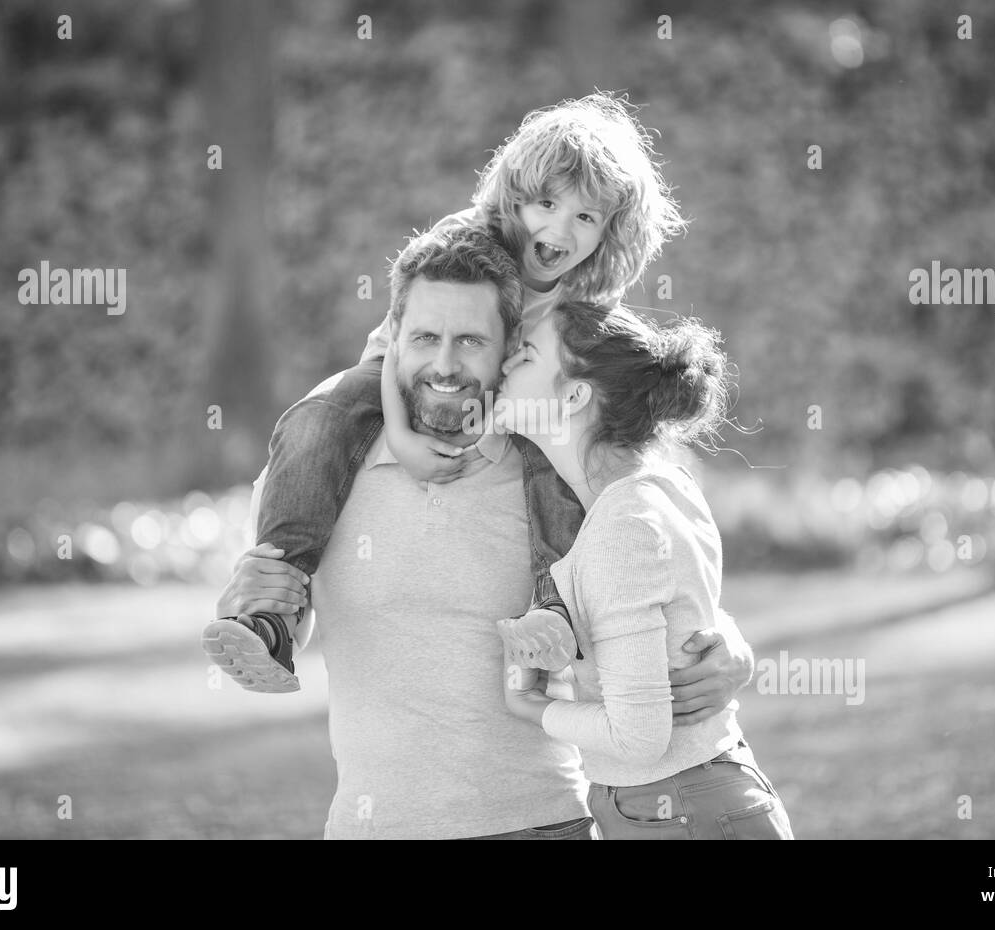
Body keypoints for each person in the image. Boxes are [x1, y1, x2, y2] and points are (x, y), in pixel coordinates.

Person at [214, 225, 753, 838]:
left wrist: (731, 647)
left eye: (471, 340)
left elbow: (659, 576)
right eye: (424, 338)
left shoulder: (555, 473)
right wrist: (256, 604)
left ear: (510, 348)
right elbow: (301, 624)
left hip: (546, 822)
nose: (444, 365)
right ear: (393, 342)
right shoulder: (315, 471)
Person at [202, 92, 686, 691]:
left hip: (510, 408)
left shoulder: (584, 299)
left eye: (585, 218)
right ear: (515, 196)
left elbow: (606, 392)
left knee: (550, 461)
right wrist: (402, 435)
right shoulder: (465, 240)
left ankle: (553, 609)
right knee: (318, 416)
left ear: (610, 233)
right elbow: (397, 348)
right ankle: (273, 612)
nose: (558, 229)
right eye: (546, 203)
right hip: (399, 372)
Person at [495, 301, 793, 839]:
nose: (505, 364)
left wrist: (531, 705)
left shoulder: (621, 525)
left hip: (678, 806)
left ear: (574, 394)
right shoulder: (665, 484)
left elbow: (638, 736)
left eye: (526, 355)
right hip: (702, 794)